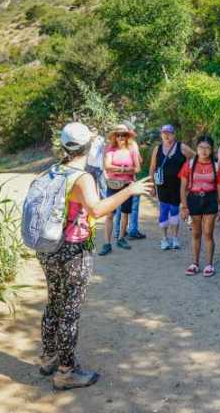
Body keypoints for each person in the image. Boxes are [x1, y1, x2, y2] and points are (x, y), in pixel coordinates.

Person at [39, 122, 151, 390]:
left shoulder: (53, 170)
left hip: (47, 246)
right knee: (70, 310)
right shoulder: (81, 177)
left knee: (54, 300)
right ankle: (66, 371)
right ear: (89, 147)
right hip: (72, 249)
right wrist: (129, 191)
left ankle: (48, 356)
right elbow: (97, 210)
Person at [179, 135, 220, 277]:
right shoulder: (189, 164)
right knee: (196, 233)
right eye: (201, 147)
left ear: (212, 150)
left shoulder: (216, 166)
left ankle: (209, 264)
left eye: (207, 148)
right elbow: (183, 187)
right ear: (197, 148)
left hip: (210, 199)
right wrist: (184, 206)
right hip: (193, 199)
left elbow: (219, 187)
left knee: (208, 233)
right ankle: (195, 263)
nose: (204, 151)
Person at [149, 124, 195, 250]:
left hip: (177, 186)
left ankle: (174, 238)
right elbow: (152, 168)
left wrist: (187, 171)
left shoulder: (182, 147)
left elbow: (194, 158)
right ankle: (164, 238)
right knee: (163, 210)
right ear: (161, 134)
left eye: (169, 133)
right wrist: (151, 185)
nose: (166, 135)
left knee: (174, 211)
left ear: (174, 134)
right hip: (162, 185)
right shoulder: (157, 149)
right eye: (164, 133)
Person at [99, 124, 141, 256]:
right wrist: (125, 169)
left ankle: (121, 239)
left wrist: (116, 168)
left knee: (125, 213)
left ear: (127, 136)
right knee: (109, 214)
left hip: (127, 185)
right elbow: (107, 166)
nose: (121, 137)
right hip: (113, 185)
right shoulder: (110, 149)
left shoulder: (132, 149)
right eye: (118, 135)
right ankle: (107, 243)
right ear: (114, 137)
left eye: (123, 135)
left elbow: (138, 168)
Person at [112, 121, 146, 241]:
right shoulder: (132, 144)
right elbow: (139, 162)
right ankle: (133, 230)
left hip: (115, 181)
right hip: (130, 181)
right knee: (132, 207)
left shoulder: (113, 145)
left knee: (118, 207)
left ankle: (117, 232)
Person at [85, 127, 105, 195]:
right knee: (90, 185)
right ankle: (93, 200)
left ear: (97, 131)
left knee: (102, 185)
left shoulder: (101, 140)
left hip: (98, 167)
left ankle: (104, 201)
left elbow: (104, 153)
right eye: (91, 131)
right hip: (89, 166)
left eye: (94, 130)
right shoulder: (87, 140)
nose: (93, 132)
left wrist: (103, 166)